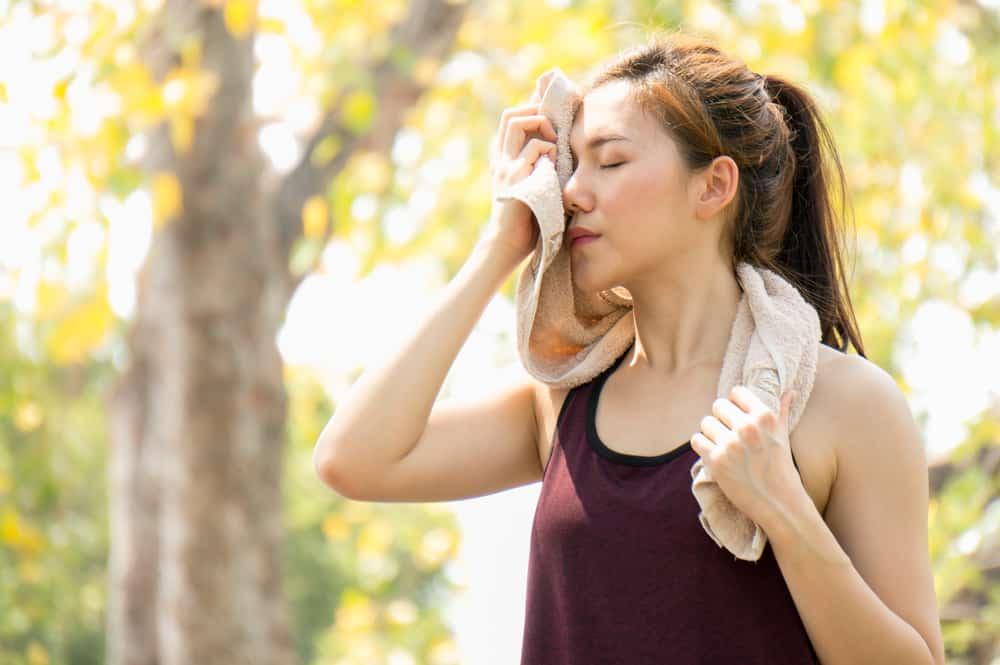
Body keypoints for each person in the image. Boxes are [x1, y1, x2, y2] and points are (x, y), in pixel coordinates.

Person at [313, 31, 945, 665]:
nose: (571, 193)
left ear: (713, 187)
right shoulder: (561, 397)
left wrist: (785, 510)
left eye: (609, 162)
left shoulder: (846, 405)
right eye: (572, 165)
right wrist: (499, 245)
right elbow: (354, 459)